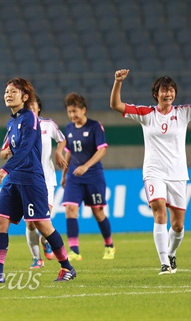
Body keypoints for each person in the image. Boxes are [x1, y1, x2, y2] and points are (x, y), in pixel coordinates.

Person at [110, 69, 191, 274]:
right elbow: (116, 105)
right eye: (164, 90)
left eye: (171, 90)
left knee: (178, 226)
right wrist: (118, 82)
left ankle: (171, 253)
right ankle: (163, 262)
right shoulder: (146, 114)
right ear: (156, 94)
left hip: (178, 174)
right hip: (154, 172)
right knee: (158, 210)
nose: (168, 94)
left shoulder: (183, 112)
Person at [0, 78, 76, 283]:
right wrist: (8, 166)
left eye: (13, 91)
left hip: (31, 179)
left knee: (42, 225)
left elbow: (25, 149)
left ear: (25, 97)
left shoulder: (30, 118)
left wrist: (5, 168)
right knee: (0, 222)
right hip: (14, 180)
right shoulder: (11, 122)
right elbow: (9, 150)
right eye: (6, 91)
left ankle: (67, 268)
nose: (8, 94)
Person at [0, 96, 67, 269]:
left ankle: (49, 245)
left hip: (46, 179)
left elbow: (62, 139)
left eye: (33, 106)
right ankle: (37, 258)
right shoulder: (16, 124)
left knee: (44, 222)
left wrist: (59, 152)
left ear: (38, 108)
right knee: (30, 222)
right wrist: (7, 151)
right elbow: (3, 150)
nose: (30, 109)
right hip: (26, 179)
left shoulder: (47, 124)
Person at [60, 93, 115, 261]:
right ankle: (75, 251)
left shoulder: (95, 127)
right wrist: (64, 174)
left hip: (93, 176)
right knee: (70, 210)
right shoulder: (69, 128)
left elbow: (102, 150)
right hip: (74, 177)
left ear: (83, 110)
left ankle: (109, 245)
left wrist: (86, 166)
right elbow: (69, 152)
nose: (72, 115)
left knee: (98, 212)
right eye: (69, 112)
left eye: (75, 111)